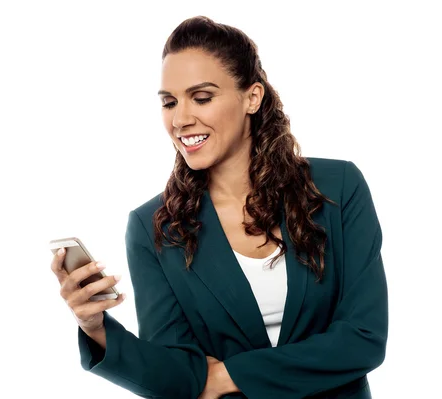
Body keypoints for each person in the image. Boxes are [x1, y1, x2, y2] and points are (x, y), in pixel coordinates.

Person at [50, 15, 387, 399]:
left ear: (252, 97)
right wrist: (95, 327)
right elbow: (177, 374)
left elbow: (364, 338)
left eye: (202, 97)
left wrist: (229, 375)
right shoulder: (155, 227)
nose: (181, 119)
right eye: (169, 102)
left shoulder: (338, 189)